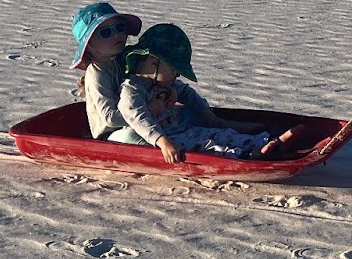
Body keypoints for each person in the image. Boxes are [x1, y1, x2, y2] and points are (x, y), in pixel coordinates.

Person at [113, 23, 303, 163]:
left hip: (184, 130)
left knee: (218, 134)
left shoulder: (164, 83)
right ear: (153, 63)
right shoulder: (133, 89)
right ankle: (248, 156)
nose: (176, 76)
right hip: (169, 139)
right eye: (175, 71)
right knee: (206, 146)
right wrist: (162, 141)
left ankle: (264, 141)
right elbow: (136, 116)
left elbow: (188, 94)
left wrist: (208, 116)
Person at [70, 1, 142, 140]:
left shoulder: (124, 60)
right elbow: (110, 118)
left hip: (137, 123)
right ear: (88, 44)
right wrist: (147, 113)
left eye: (120, 27)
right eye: (106, 32)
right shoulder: (97, 73)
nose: (117, 35)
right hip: (109, 136)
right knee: (132, 135)